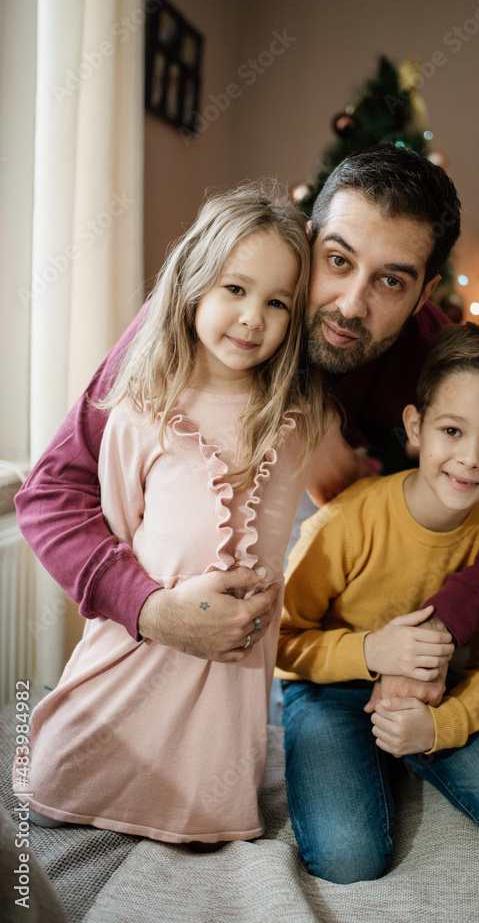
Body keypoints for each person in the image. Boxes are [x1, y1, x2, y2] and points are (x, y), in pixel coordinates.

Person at [15, 145, 479, 713]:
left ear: (425, 293)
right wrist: (151, 611)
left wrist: (440, 630)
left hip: (349, 632)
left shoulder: (436, 362)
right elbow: (52, 493)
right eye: (337, 260)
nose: (351, 305)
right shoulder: (201, 318)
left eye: (391, 282)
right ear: (308, 241)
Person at [16, 184, 336, 844]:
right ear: (191, 286)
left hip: (227, 693)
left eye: (277, 303)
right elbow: (114, 531)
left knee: (208, 820)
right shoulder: (138, 410)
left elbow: (356, 493)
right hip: (132, 661)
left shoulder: (302, 422)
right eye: (233, 289)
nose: (252, 318)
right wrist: (162, 610)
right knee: (51, 785)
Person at [276, 322, 479, 884]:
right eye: (452, 430)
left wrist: (443, 726)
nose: (470, 460)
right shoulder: (347, 522)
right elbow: (282, 644)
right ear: (416, 425)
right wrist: (371, 652)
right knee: (346, 856)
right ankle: (382, 753)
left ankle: (406, 748)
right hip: (329, 690)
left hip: (432, 698)